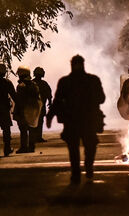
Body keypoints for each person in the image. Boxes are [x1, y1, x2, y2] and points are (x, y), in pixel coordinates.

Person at [47, 55, 105, 184]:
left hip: (76, 120)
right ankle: (83, 169)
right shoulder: (92, 80)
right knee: (86, 146)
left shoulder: (66, 81)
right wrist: (50, 115)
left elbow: (57, 101)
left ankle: (78, 172)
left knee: (79, 147)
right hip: (83, 120)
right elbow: (101, 98)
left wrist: (50, 116)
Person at [13, 66, 42, 153]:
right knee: (31, 128)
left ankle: (23, 147)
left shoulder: (21, 86)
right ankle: (31, 146)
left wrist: (18, 112)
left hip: (24, 110)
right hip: (33, 110)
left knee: (23, 129)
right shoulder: (34, 85)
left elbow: (19, 100)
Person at [0, 64, 16, 156]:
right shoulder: (7, 82)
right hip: (4, 110)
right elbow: (14, 96)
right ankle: (7, 148)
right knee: (6, 129)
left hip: (4, 109)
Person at [32, 67, 52, 142]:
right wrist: (50, 102)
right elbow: (49, 94)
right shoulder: (44, 84)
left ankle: (33, 137)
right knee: (40, 122)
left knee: (33, 122)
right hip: (41, 106)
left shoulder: (31, 83)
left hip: (32, 107)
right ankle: (38, 137)